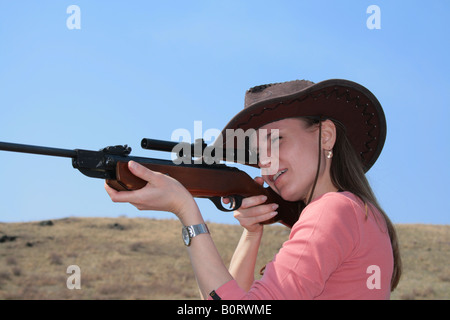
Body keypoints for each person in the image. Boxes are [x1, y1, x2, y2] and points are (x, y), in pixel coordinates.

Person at [105, 79, 402, 299]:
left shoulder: (332, 210)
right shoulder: (362, 214)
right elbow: (231, 296)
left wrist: (187, 212)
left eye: (276, 141)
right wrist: (252, 234)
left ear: (326, 136)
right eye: (259, 156)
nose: (267, 166)